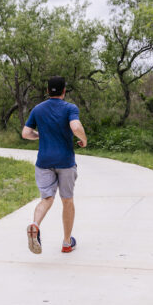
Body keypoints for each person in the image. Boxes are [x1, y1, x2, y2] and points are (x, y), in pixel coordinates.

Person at [21, 76, 87, 254]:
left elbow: (26, 133)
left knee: (46, 199)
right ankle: (67, 242)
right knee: (67, 201)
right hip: (65, 162)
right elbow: (75, 127)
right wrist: (84, 139)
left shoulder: (38, 109)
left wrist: (39, 135)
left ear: (48, 91)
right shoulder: (70, 108)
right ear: (64, 91)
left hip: (44, 162)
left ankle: (35, 225)